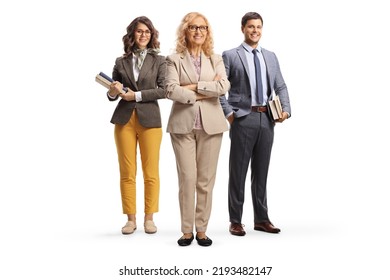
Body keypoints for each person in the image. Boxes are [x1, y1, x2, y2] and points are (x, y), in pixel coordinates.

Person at [220, 12, 291, 236]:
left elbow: (280, 86)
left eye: (259, 27)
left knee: (261, 171)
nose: (255, 31)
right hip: (243, 118)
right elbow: (220, 88)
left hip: (267, 119)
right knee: (238, 171)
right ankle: (235, 220)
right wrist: (230, 114)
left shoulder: (270, 56)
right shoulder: (230, 55)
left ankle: (261, 219)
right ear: (243, 28)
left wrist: (286, 110)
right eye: (251, 27)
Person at [165, 12, 230, 246]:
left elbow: (223, 86)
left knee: (205, 181)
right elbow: (171, 90)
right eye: (193, 27)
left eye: (203, 27)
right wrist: (206, 91)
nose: (198, 31)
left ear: (207, 31)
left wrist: (192, 87)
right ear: (185, 31)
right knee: (187, 179)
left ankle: (201, 229)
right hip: (182, 126)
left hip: (211, 126)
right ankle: (186, 230)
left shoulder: (216, 58)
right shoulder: (173, 59)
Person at [107, 16, 166, 235]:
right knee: (127, 172)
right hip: (124, 120)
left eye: (147, 32)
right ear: (132, 35)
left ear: (152, 35)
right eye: (139, 31)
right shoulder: (120, 61)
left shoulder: (160, 61)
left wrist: (137, 96)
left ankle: (149, 218)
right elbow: (113, 93)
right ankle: (130, 219)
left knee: (151, 172)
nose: (143, 35)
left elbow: (163, 90)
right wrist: (113, 92)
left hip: (150, 119)